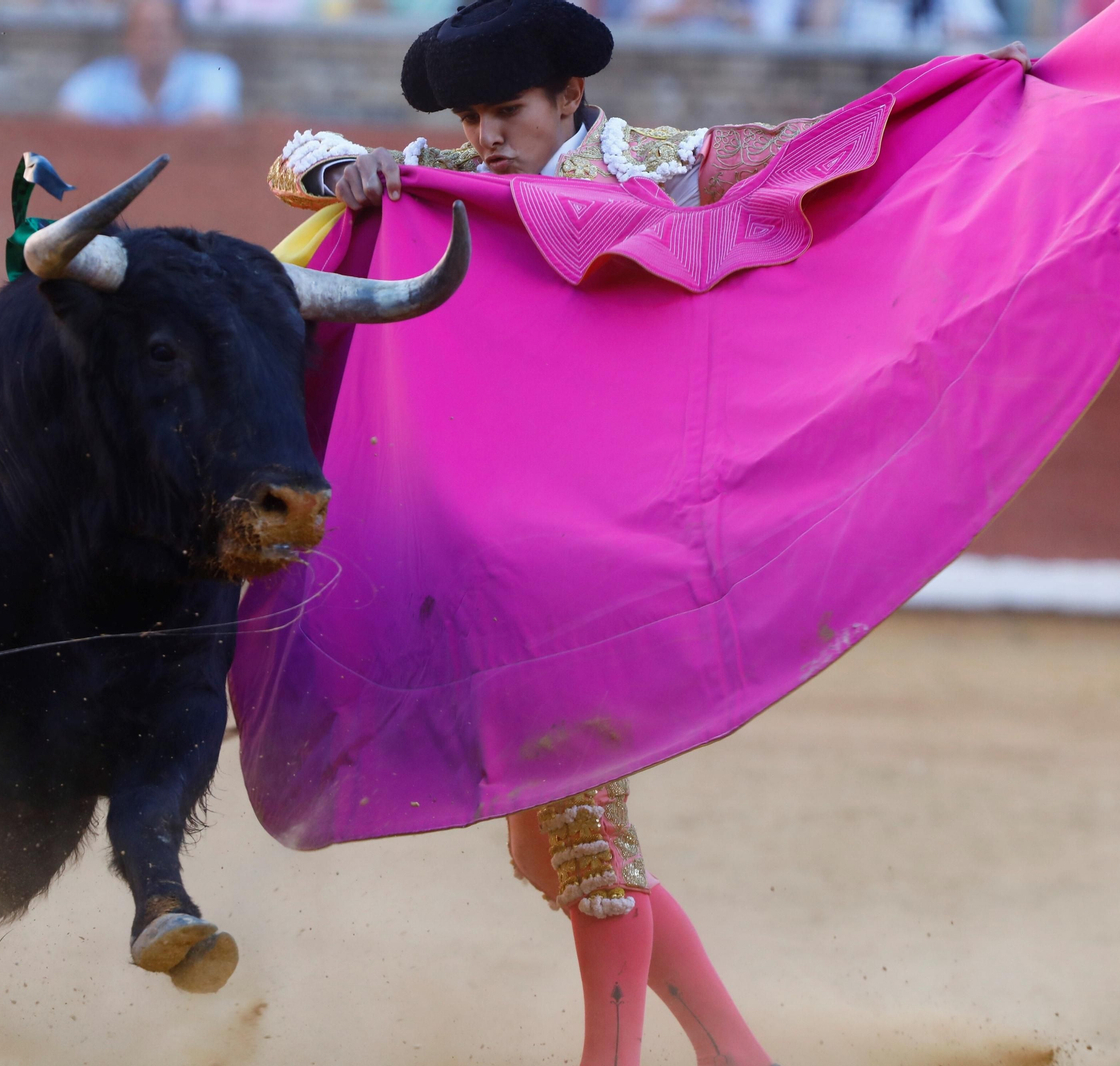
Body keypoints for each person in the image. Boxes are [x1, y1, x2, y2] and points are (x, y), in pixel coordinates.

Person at [260, 3, 1039, 1066]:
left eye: (507, 112)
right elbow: (299, 160)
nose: (487, 138)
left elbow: (822, 156)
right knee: (550, 850)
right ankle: (734, 1055)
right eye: (472, 117)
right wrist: (340, 166)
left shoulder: (656, 165)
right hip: (496, 557)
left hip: (598, 553)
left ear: (569, 96)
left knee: (585, 846)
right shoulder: (444, 179)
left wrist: (952, 92)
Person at [57, 0, 241, 126]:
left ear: (180, 35)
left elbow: (212, 121)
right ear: (126, 37)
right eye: (143, 31)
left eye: (160, 31)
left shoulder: (213, 72)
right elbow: (68, 118)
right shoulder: (97, 79)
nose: (153, 41)